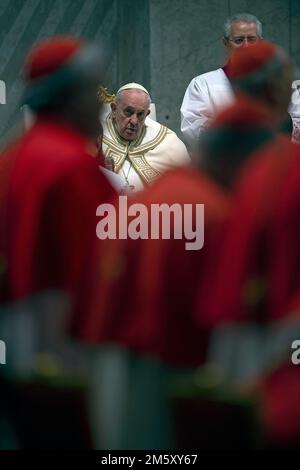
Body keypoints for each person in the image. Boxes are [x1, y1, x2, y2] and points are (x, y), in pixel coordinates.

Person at [0, 36, 116, 375]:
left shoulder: (12, 156)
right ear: (71, 96)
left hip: (16, 335)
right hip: (62, 340)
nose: (99, 106)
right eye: (93, 92)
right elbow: (95, 268)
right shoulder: (71, 165)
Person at [180, 13, 263, 146]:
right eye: (239, 40)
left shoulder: (278, 82)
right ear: (225, 43)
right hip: (225, 160)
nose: (246, 46)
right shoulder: (203, 84)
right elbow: (193, 128)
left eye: (252, 39)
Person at [102, 82, 190, 192]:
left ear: (147, 114)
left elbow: (186, 188)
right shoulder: (93, 135)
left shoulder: (168, 141)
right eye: (128, 112)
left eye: (140, 114)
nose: (134, 121)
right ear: (114, 109)